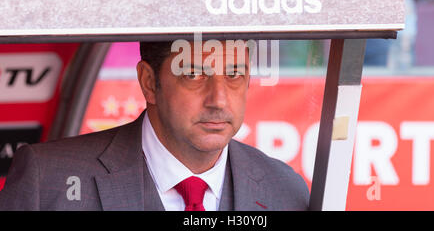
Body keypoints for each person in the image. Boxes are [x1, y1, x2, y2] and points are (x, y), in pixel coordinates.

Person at [0, 40, 309, 211]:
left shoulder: (284, 188)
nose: (219, 100)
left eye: (234, 75)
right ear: (149, 82)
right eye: (193, 75)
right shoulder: (47, 180)